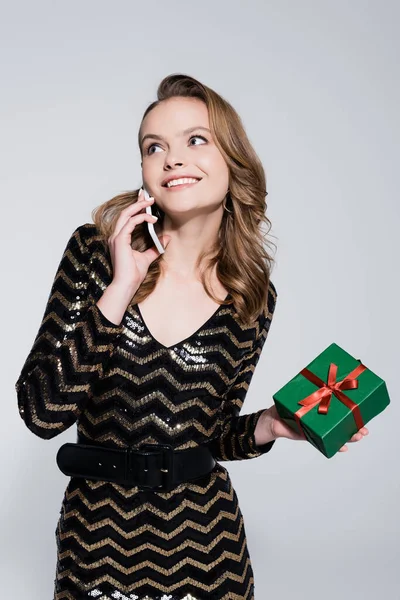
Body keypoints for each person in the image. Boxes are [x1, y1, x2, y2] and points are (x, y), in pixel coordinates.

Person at [15, 73, 368, 600]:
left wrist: (270, 425)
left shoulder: (253, 296)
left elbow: (214, 434)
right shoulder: (96, 254)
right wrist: (120, 287)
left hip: (209, 546)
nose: (172, 158)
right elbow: (42, 413)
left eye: (195, 140)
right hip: (98, 545)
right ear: (144, 170)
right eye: (154, 147)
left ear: (233, 158)